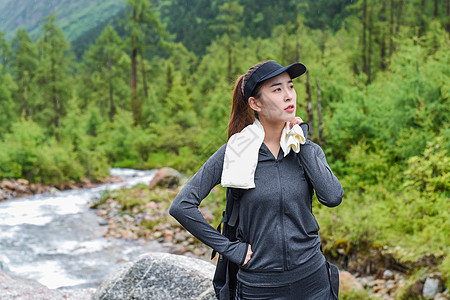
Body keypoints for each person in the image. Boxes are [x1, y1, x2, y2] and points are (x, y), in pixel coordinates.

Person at [169, 61, 344, 300]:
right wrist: (230, 249)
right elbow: (181, 206)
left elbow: (333, 197)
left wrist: (301, 144)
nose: (288, 95)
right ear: (255, 104)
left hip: (313, 282)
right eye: (277, 89)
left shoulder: (303, 148)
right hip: (260, 288)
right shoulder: (234, 152)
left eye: (290, 87)